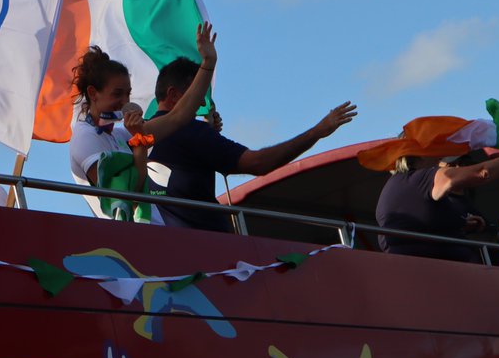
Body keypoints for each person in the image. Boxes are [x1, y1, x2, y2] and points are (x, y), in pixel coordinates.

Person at [147, 56, 358, 231]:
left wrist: (208, 138)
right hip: (207, 251)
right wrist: (317, 131)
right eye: (197, 95)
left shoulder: (134, 137)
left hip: (159, 249)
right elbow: (258, 163)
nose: (202, 103)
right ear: (173, 94)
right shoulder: (192, 132)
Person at [68, 22, 216, 220]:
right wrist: (139, 141)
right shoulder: (84, 137)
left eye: (128, 95)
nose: (124, 103)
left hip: (153, 230)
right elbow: (128, 198)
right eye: (117, 94)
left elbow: (177, 117)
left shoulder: (121, 134)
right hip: (126, 240)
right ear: (93, 93)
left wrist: (207, 64)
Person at [374, 144, 499, 263]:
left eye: (465, 163)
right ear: (418, 154)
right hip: (450, 282)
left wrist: (462, 224)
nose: (440, 157)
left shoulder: (396, 185)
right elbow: (482, 173)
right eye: (435, 150)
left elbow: (416, 225)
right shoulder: (424, 178)